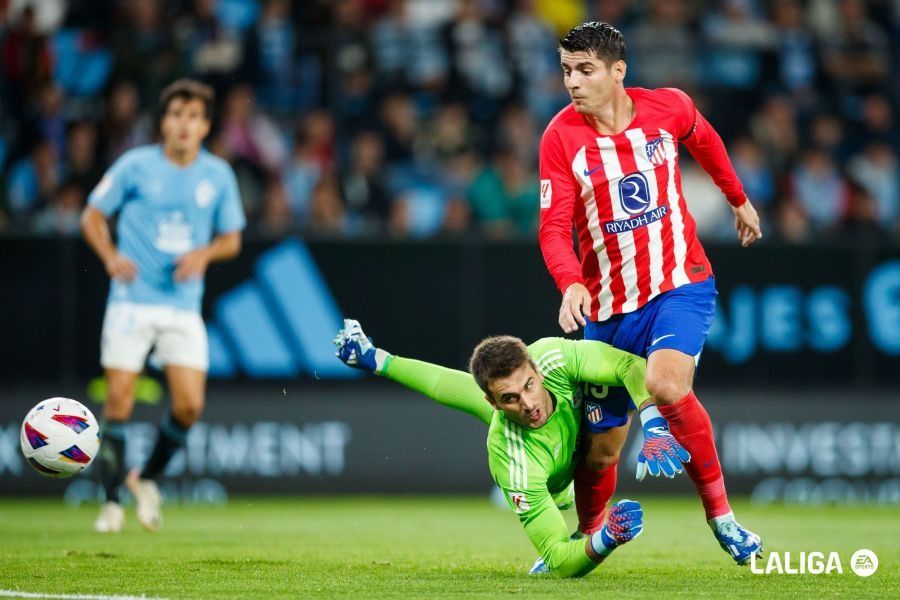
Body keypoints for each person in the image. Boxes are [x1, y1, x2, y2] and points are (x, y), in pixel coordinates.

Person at [538, 21, 762, 564]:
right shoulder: (561, 138)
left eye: (585, 70)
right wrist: (570, 281)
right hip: (610, 308)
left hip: (679, 283)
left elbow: (706, 140)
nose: (573, 82)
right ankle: (587, 536)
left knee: (665, 384)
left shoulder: (669, 108)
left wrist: (738, 199)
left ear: (618, 71)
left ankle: (723, 518)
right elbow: (553, 226)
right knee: (601, 451)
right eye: (567, 70)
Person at [334, 319, 691, 578]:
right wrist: (606, 539)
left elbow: (630, 366)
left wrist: (654, 423)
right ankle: (588, 524)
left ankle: (374, 358)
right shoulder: (511, 457)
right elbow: (558, 558)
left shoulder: (553, 357)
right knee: (568, 498)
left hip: (586, 446)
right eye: (509, 398)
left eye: (529, 385)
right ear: (493, 403)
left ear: (536, 369)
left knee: (604, 435)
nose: (529, 404)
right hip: (558, 486)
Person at [81, 79, 246, 533]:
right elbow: (91, 215)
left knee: (189, 406)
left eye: (193, 116)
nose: (183, 124)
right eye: (176, 114)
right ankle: (111, 503)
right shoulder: (135, 166)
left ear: (206, 125)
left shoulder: (217, 175)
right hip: (132, 302)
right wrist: (111, 256)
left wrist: (204, 253)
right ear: (163, 121)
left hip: (181, 306)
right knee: (118, 401)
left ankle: (147, 479)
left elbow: (232, 238)